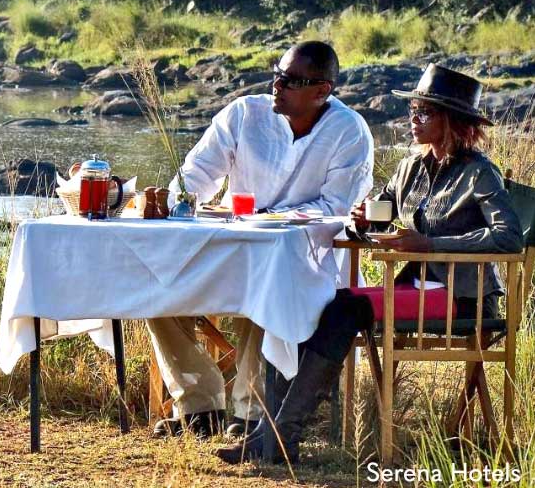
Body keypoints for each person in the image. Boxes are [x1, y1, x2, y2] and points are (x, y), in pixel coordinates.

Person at [216, 63, 524, 463]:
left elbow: (509, 237)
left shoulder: (480, 173)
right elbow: (379, 212)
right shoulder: (412, 167)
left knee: (345, 308)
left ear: (453, 121)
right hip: (415, 289)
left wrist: (429, 244)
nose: (414, 120)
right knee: (305, 304)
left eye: (424, 113)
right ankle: (269, 434)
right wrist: (363, 221)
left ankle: (280, 437)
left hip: (463, 297)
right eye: (412, 110)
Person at [149, 41, 375, 439]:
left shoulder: (350, 132)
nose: (277, 85)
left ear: (322, 91)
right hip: (228, 246)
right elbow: (197, 176)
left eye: (290, 80)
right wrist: (175, 203)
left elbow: (336, 207)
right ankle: (201, 406)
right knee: (155, 285)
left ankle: (250, 413)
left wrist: (267, 221)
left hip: (305, 259)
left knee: (267, 286)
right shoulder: (242, 114)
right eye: (277, 74)